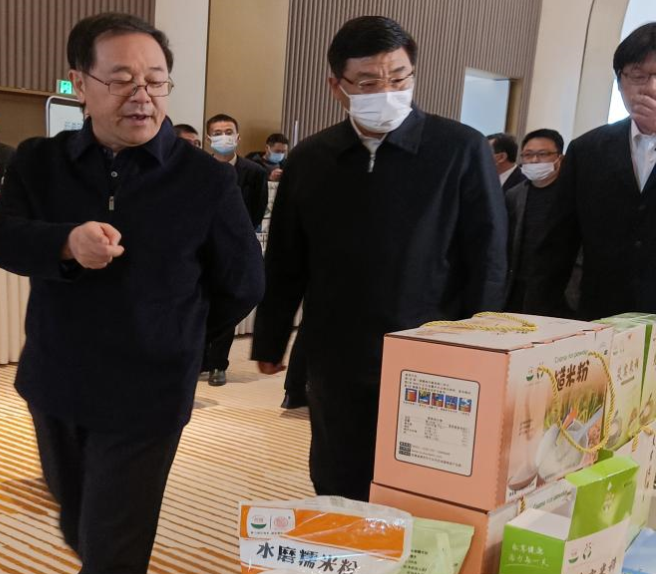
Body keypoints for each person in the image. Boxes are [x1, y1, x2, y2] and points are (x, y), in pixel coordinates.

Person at [0, 13, 264, 574]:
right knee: (80, 519)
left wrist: (177, 334)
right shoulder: (41, 160)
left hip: (149, 388)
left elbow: (244, 281)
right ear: (80, 84)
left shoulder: (206, 179)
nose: (142, 95)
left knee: (114, 544)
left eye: (155, 81)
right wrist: (65, 243)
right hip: (57, 378)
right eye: (121, 79)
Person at [251, 16, 507, 501]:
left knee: (425, 481)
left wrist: (481, 348)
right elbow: (286, 258)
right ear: (337, 86)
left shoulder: (459, 148)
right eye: (368, 82)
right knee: (338, 473)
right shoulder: (311, 158)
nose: (386, 92)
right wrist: (270, 338)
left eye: (398, 77)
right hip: (338, 351)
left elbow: (488, 256)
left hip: (434, 350)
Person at [526, 23, 656, 319]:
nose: (650, 87)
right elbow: (557, 244)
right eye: (638, 76)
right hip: (600, 319)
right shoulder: (587, 150)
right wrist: (543, 314)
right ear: (619, 82)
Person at [202, 113, 269, 387]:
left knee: (229, 301)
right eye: (217, 133)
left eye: (228, 131)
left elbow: (257, 210)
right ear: (209, 138)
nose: (223, 137)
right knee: (202, 303)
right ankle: (201, 359)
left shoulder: (254, 172)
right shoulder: (199, 169)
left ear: (238, 136)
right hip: (202, 248)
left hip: (236, 248)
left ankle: (219, 364)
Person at [504, 129, 566, 312]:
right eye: (528, 155)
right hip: (519, 284)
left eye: (543, 154)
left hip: (560, 289)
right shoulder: (514, 194)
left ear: (560, 158)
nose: (534, 160)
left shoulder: (572, 193)